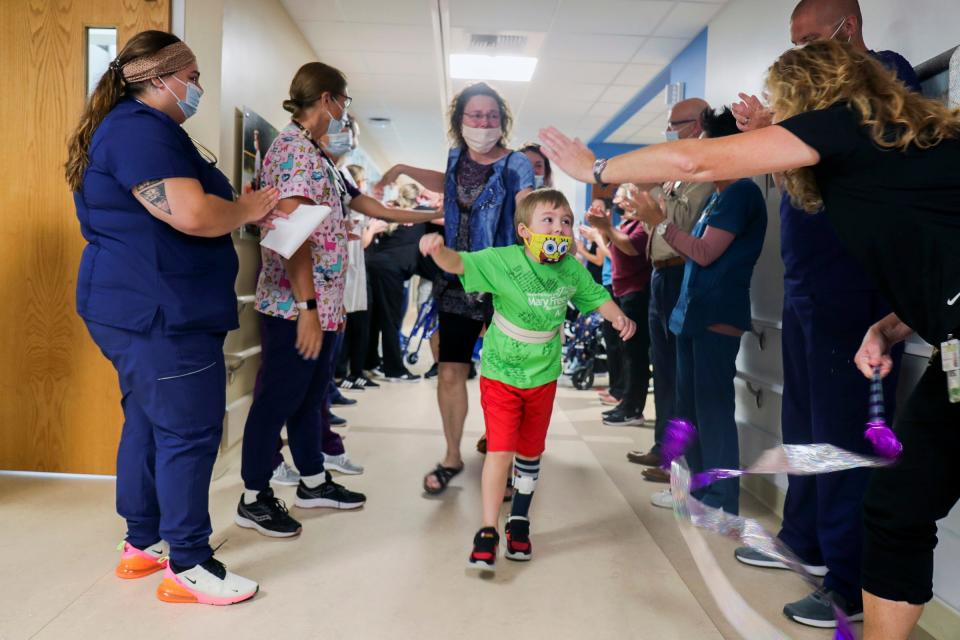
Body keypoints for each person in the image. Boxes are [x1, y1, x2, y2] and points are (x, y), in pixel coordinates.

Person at [540, 39, 960, 640]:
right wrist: (890, 325)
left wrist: (596, 170)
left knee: (897, 506)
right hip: (951, 349)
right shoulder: (892, 152)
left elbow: (699, 164)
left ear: (809, 94)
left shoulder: (850, 122)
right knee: (897, 508)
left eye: (780, 107)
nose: (776, 120)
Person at [65, 30, 280, 604]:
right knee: (188, 432)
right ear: (161, 78)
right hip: (161, 311)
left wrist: (237, 207)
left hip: (142, 306)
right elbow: (190, 213)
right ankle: (188, 563)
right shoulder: (139, 131)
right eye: (194, 76)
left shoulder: (142, 130)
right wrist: (249, 208)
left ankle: (142, 545)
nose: (199, 87)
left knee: (149, 422)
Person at [728, 0, 920, 627]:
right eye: (795, 43)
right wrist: (771, 126)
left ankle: (847, 585)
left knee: (842, 440)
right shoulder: (813, 108)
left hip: (853, 292)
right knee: (804, 430)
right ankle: (804, 543)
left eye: (813, 40)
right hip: (807, 288)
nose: (804, 54)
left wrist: (783, 122)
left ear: (849, 30)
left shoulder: (884, 76)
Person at [419, 189, 636, 571]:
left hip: (544, 375)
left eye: (565, 222)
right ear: (525, 231)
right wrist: (438, 251)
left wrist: (617, 316)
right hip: (502, 374)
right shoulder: (502, 260)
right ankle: (488, 529)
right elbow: (460, 263)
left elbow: (595, 295)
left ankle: (519, 519)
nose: (559, 228)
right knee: (501, 450)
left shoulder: (570, 268)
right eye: (548, 221)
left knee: (530, 453)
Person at [376, 82, 535, 495]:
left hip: (503, 281)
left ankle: (506, 458)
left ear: (502, 121)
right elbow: (448, 182)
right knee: (451, 369)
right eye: (475, 116)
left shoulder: (517, 165)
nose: (484, 123)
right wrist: (403, 169)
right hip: (456, 277)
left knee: (506, 377)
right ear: (460, 121)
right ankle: (451, 454)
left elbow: (528, 204)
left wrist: (541, 227)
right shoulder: (455, 158)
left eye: (492, 116)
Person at [626, 108, 767, 514]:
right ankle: (696, 492)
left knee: (713, 409)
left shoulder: (741, 193)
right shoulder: (720, 195)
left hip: (717, 316)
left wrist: (660, 223)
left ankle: (722, 499)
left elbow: (704, 253)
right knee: (690, 407)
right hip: (692, 314)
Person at [625, 99, 715, 483]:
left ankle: (680, 461)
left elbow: (683, 223)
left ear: (695, 125)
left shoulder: (706, 173)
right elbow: (659, 228)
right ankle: (663, 448)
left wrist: (657, 209)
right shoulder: (676, 176)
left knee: (680, 373)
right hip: (660, 275)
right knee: (661, 369)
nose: (669, 132)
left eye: (674, 125)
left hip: (683, 275)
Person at [587, 187, 653, 427]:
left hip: (637, 292)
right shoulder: (628, 225)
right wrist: (604, 228)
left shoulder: (643, 224)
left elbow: (629, 248)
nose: (619, 200)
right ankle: (627, 402)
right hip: (624, 291)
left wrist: (604, 228)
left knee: (635, 354)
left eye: (624, 195)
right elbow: (614, 247)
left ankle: (633, 407)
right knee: (627, 352)